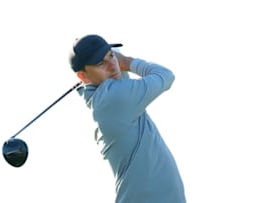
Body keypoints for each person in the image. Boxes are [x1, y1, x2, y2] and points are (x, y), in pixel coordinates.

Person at [69, 34, 186, 203]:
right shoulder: (114, 97)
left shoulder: (105, 95)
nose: (112, 65)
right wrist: (127, 62)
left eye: (111, 56)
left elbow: (114, 69)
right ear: (83, 77)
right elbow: (165, 76)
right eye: (101, 63)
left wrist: (110, 58)